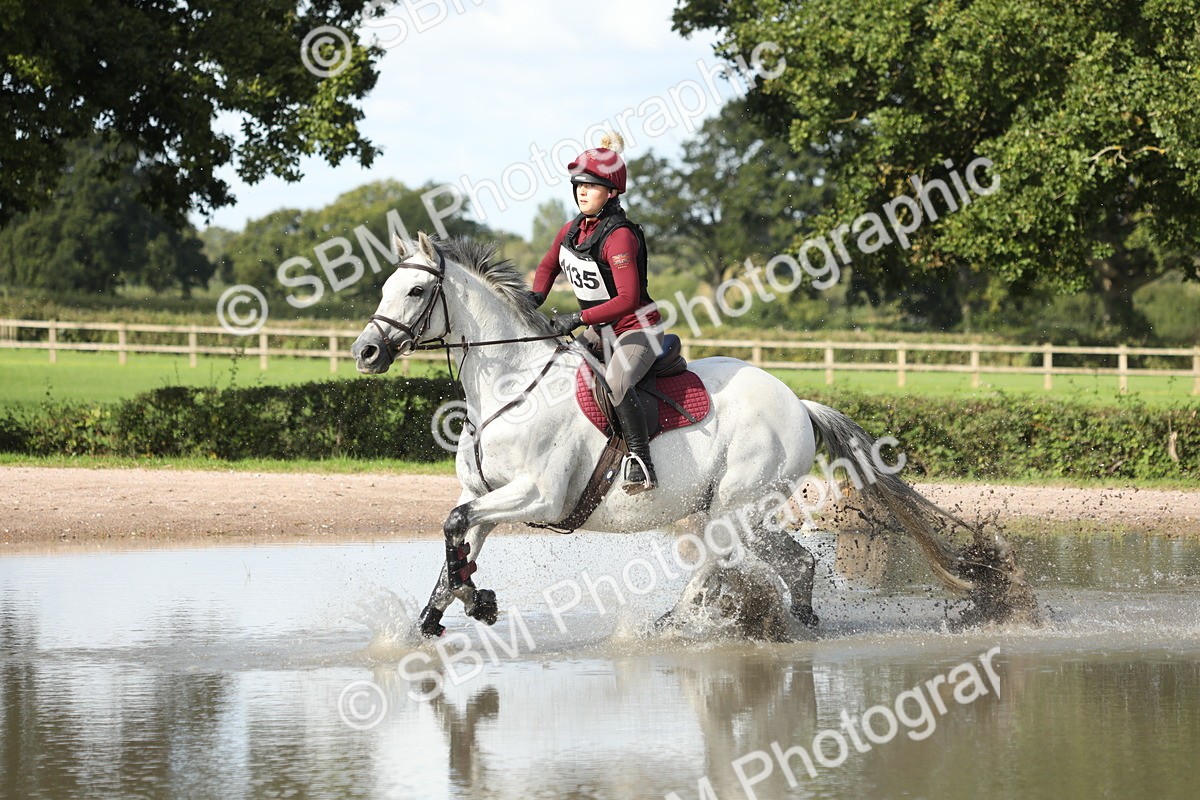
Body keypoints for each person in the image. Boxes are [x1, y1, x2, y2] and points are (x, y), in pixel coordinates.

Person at [529, 132, 664, 494]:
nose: (581, 192)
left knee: (618, 382)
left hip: (637, 330)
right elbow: (546, 268)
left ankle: (641, 462)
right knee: (557, 372)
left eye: (591, 185)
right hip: (601, 330)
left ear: (612, 192)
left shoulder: (619, 236)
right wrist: (533, 300)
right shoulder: (571, 230)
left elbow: (627, 298)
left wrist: (577, 319)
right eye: (578, 185)